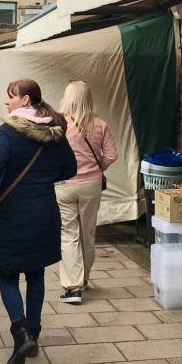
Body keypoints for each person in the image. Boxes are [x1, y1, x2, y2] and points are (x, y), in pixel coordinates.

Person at [0, 80, 77, 364]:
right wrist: (45, 178)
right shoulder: (55, 130)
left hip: (12, 212)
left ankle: (21, 333)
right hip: (45, 211)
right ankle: (32, 334)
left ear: (24, 100)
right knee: (36, 273)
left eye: (10, 97)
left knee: (7, 274)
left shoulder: (10, 130)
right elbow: (70, 168)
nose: (7, 103)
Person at [55, 81, 117, 304]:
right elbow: (111, 155)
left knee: (68, 233)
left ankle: (73, 286)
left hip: (64, 184)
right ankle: (85, 277)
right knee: (88, 231)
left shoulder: (59, 125)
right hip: (91, 184)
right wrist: (98, 166)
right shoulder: (100, 124)